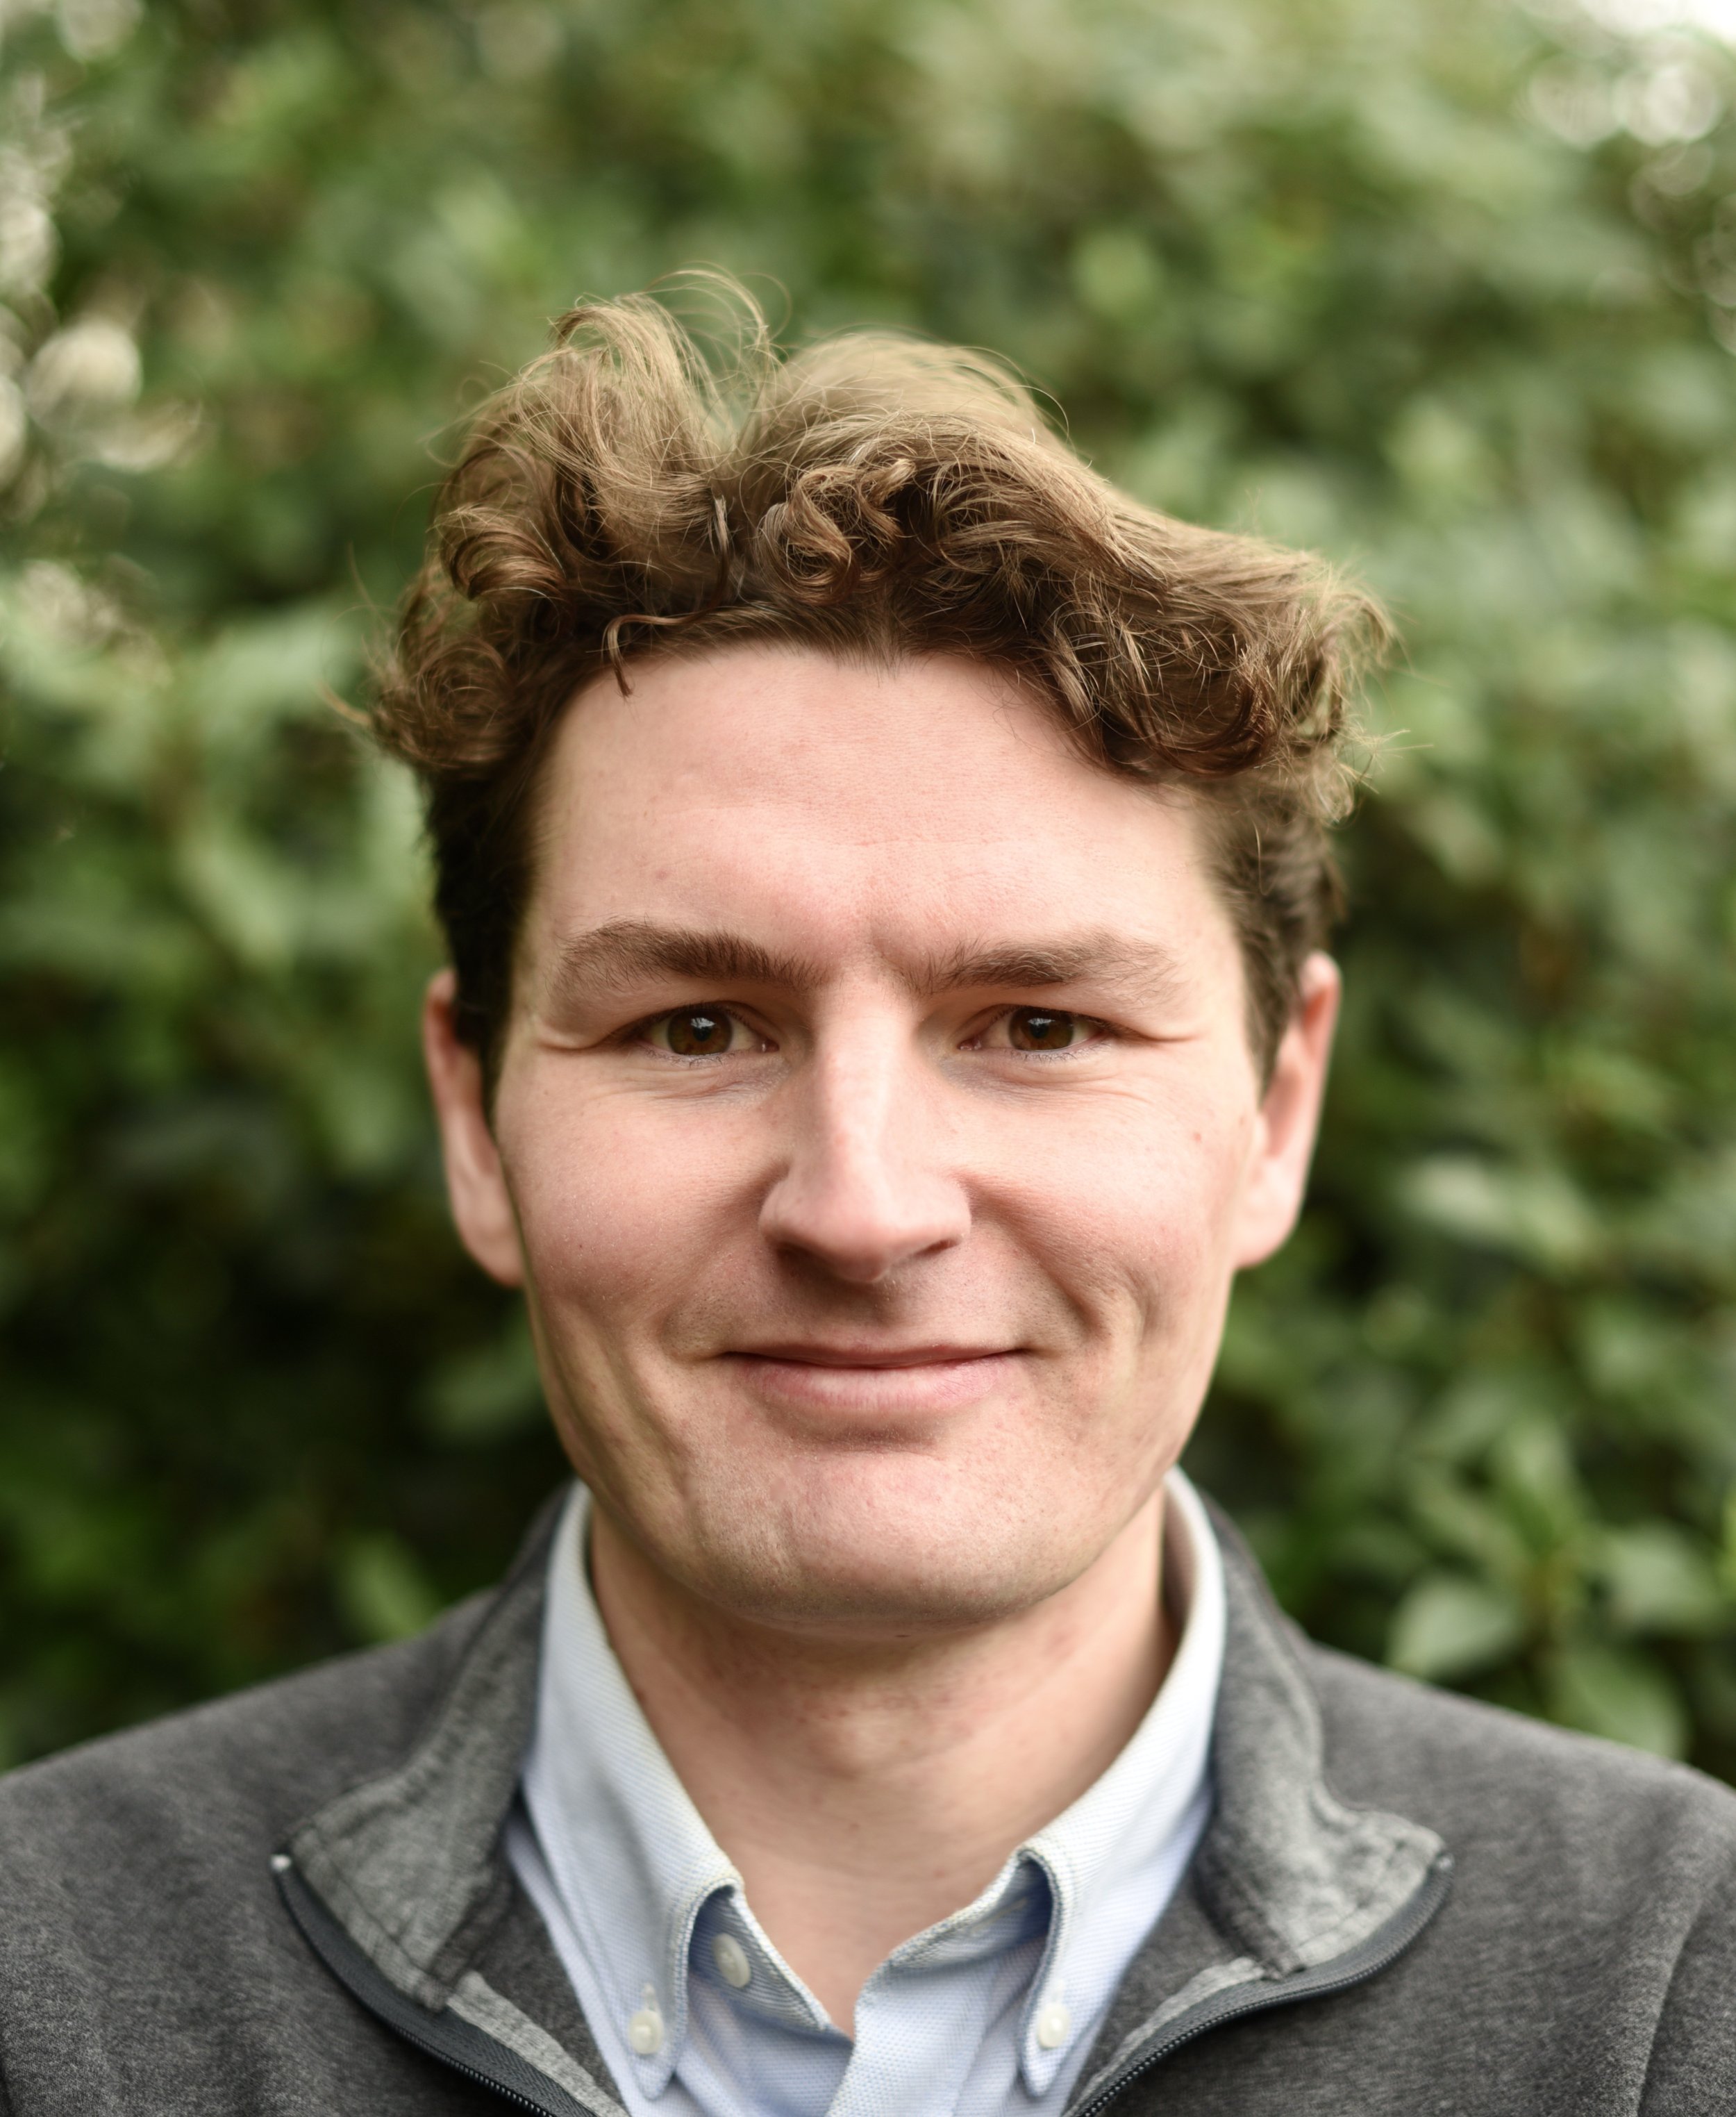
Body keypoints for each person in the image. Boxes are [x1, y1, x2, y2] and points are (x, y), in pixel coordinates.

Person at [1, 287, 1732, 2117]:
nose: (862, 1203)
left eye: (1038, 1024)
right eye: (692, 1026)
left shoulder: (1665, 2003)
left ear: (1274, 1109)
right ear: (473, 1114)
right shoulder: (56, 1995)